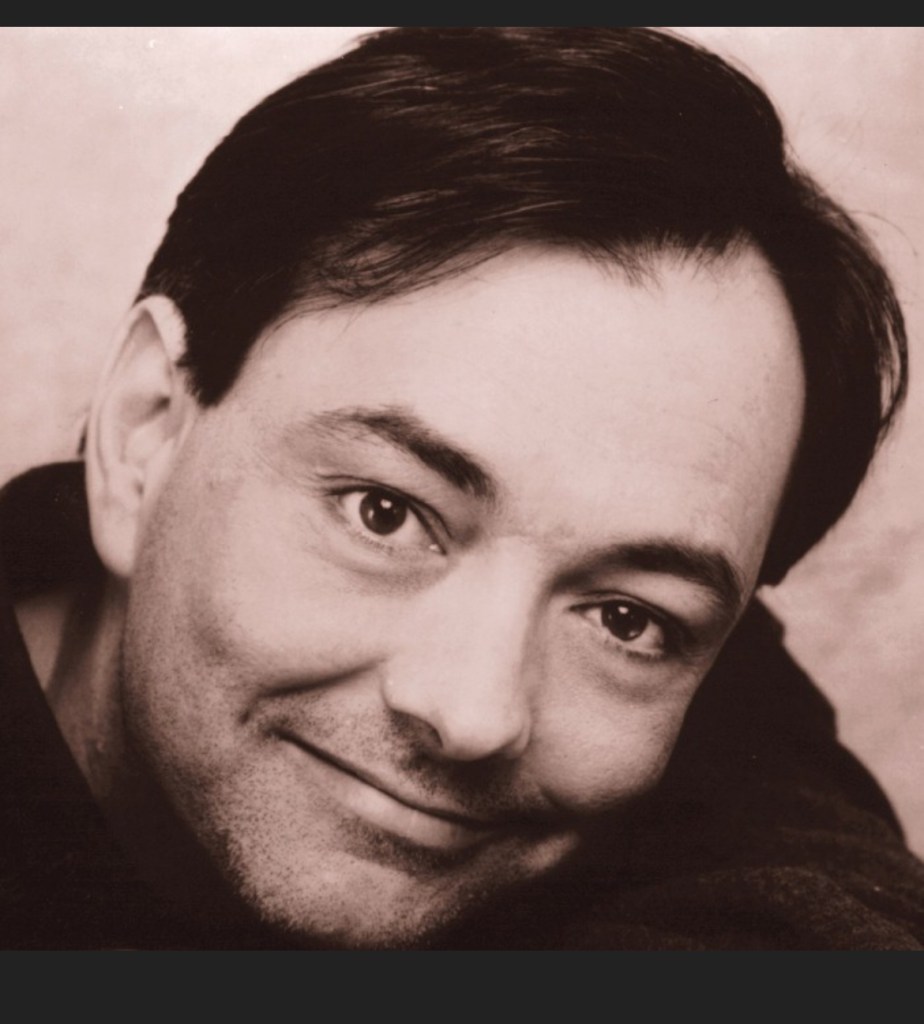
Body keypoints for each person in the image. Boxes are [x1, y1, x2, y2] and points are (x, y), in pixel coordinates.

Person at [2, 25, 923, 950]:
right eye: (387, 515)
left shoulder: (730, 738)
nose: (472, 715)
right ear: (146, 428)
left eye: (623, 619)